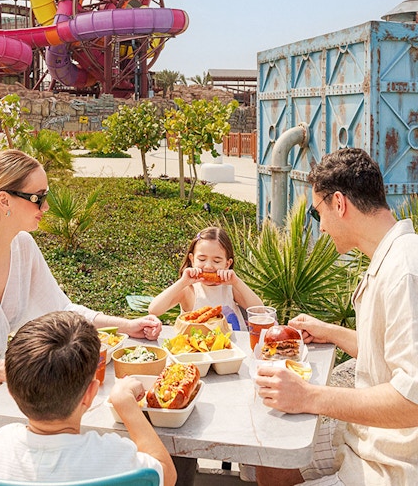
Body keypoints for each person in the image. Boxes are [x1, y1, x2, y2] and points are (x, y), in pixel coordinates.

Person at [0, 149, 162, 471]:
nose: (46, 206)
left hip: (4, 408)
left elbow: (61, 308)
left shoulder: (22, 247)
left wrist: (124, 325)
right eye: (38, 197)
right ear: (4, 200)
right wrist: (12, 370)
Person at [254, 147, 418, 486]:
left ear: (339, 203)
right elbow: (388, 353)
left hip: (389, 465)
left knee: (273, 449)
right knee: (268, 460)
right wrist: (331, 331)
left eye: (318, 214)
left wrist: (309, 397)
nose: (322, 228)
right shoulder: (392, 256)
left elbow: (412, 399)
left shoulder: (405, 272)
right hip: (365, 440)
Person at [0, 311, 176, 486]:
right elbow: (166, 474)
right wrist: (125, 403)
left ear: (11, 392)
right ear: (90, 393)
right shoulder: (111, 455)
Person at [148, 226, 263, 330]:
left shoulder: (230, 287)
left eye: (217, 261)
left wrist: (237, 282)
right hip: (199, 349)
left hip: (234, 348)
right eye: (202, 259)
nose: (208, 266)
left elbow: (260, 311)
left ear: (227, 264)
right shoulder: (189, 289)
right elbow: (154, 310)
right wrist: (182, 282)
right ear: (192, 260)